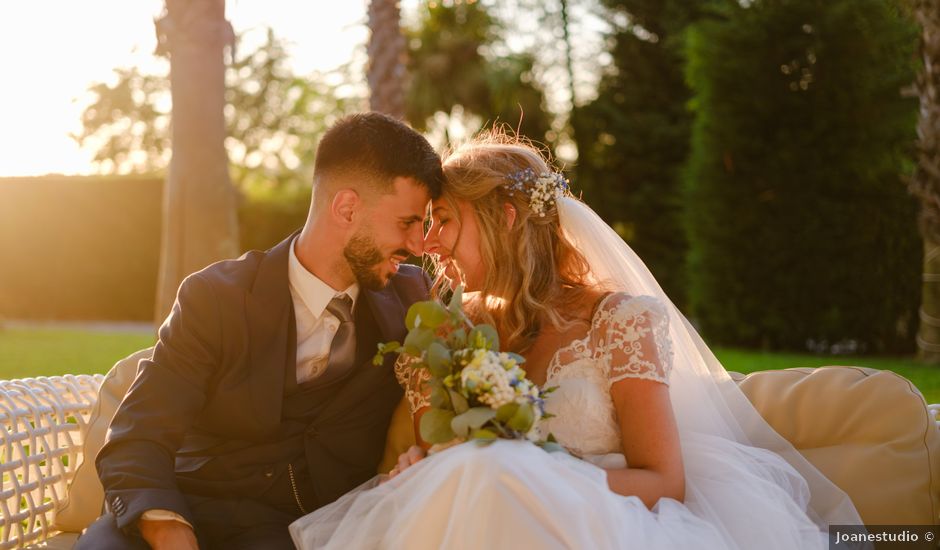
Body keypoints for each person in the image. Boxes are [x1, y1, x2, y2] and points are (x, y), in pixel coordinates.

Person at [289, 131, 865, 549]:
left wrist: (528, 476)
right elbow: (423, 454)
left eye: (444, 221)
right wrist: (423, 461)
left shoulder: (619, 323)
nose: (428, 245)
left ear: (507, 216)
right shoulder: (447, 334)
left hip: (606, 530)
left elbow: (664, 480)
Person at [76, 112, 445, 550]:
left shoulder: (413, 301)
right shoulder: (215, 298)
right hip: (186, 507)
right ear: (346, 208)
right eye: (407, 223)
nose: (420, 245)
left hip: (294, 532)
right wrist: (169, 529)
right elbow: (139, 434)